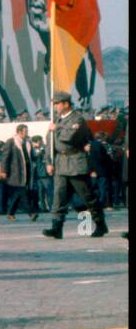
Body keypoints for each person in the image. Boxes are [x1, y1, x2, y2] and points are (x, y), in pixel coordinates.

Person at [42, 91, 107, 239]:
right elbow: (49, 143)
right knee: (59, 197)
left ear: (66, 103)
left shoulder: (77, 119)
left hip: (75, 163)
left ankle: (100, 224)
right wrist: (48, 161)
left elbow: (68, 138)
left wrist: (56, 128)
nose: (55, 107)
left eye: (57, 104)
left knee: (87, 196)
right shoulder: (57, 120)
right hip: (60, 163)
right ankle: (56, 227)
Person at [0, 123, 35, 221]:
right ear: (19, 132)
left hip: (26, 172)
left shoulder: (28, 142)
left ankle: (10, 212)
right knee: (22, 192)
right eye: (25, 131)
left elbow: (31, 157)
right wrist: (4, 171)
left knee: (18, 194)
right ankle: (31, 213)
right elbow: (5, 157)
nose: (27, 133)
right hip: (16, 172)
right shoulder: (11, 142)